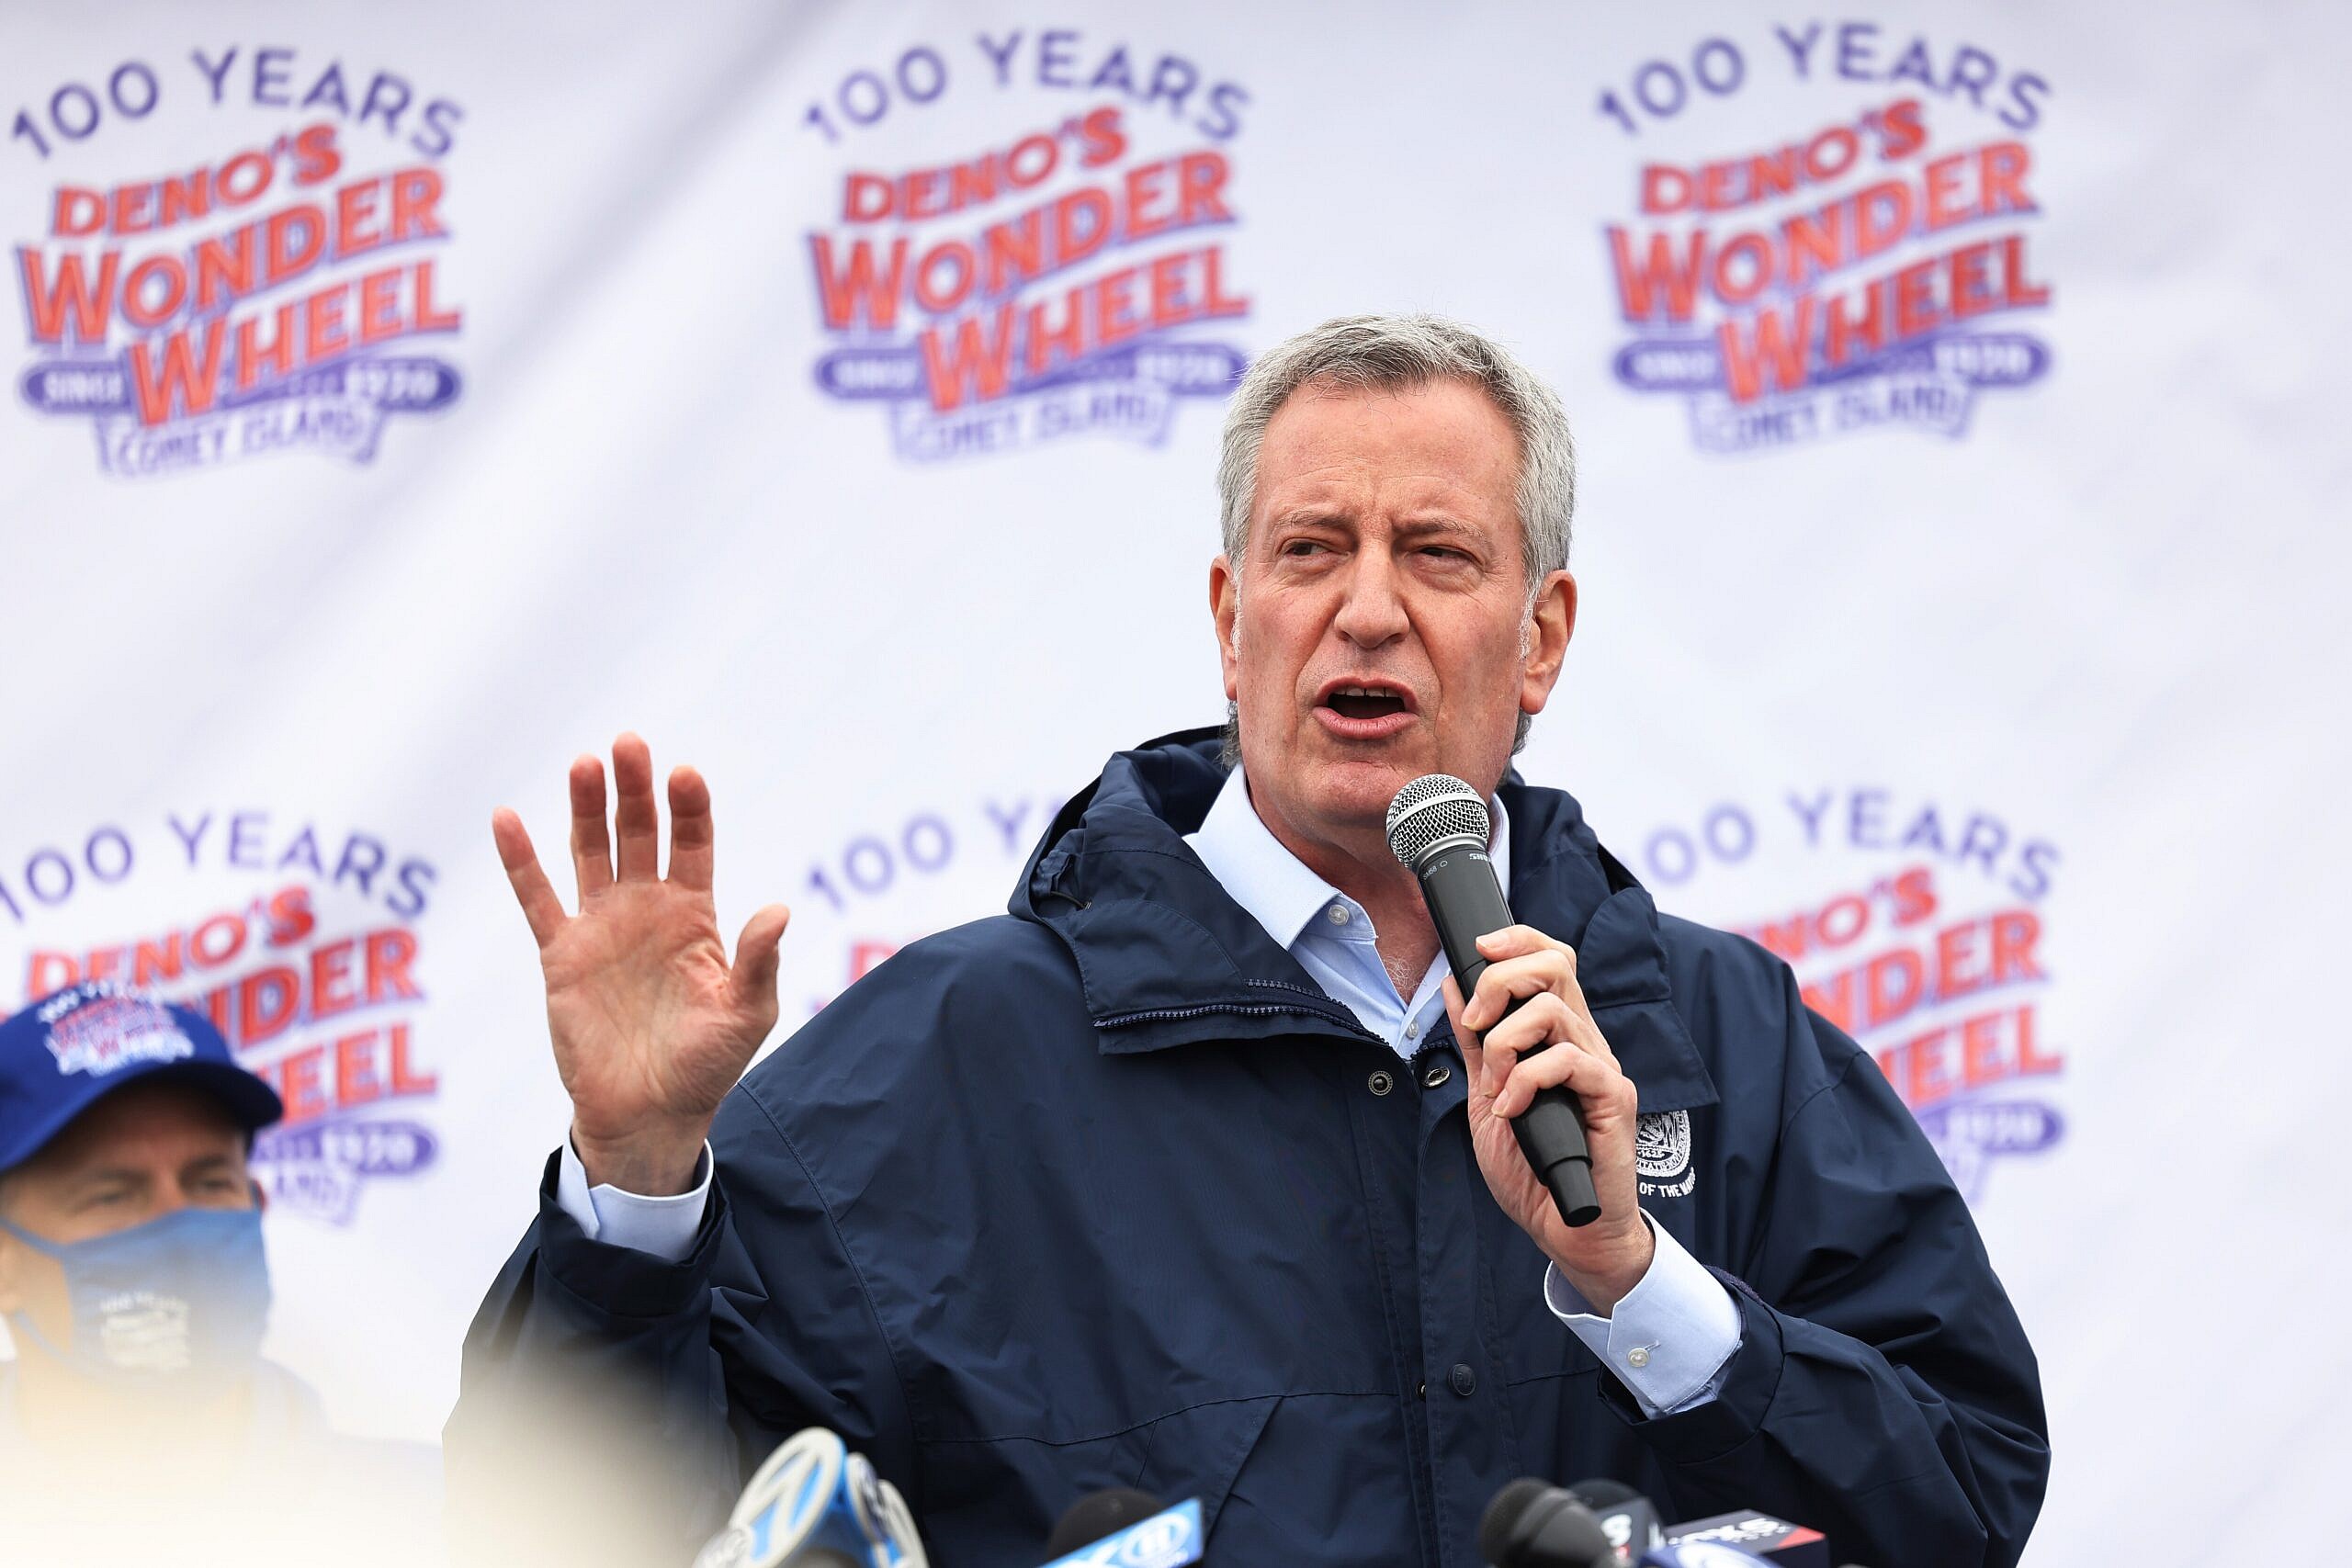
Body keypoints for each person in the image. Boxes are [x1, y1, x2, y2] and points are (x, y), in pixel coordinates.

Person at [450, 315, 2049, 1567]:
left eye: (1437, 553)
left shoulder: (1714, 1033)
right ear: (1232, 621)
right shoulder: (946, 1061)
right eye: (1310, 549)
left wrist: (1635, 1277)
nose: (1368, 609)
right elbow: (577, 1530)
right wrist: (633, 1190)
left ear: (1542, 639)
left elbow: (1961, 1504)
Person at [0, 981, 440, 1566]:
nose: (179, 1228)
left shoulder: (440, 1521)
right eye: (112, 1196)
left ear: (257, 1204)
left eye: (210, 1183)